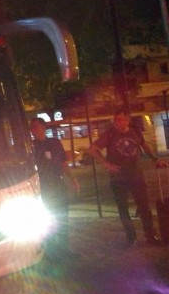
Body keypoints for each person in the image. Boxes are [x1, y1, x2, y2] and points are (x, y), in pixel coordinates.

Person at [88, 109, 167, 246]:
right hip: (118, 178)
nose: (117, 122)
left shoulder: (135, 132)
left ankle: (150, 236)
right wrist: (107, 164)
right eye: (116, 119)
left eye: (121, 119)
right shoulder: (110, 134)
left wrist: (155, 160)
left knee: (144, 207)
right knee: (123, 208)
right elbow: (93, 149)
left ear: (127, 120)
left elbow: (144, 145)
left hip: (136, 175)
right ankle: (131, 237)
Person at [30, 118, 80, 259]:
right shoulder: (31, 147)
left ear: (44, 127)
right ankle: (51, 252)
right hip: (43, 188)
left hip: (58, 184)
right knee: (48, 220)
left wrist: (72, 178)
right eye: (32, 127)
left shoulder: (55, 143)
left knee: (62, 218)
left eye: (36, 126)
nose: (33, 129)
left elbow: (64, 162)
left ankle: (63, 249)